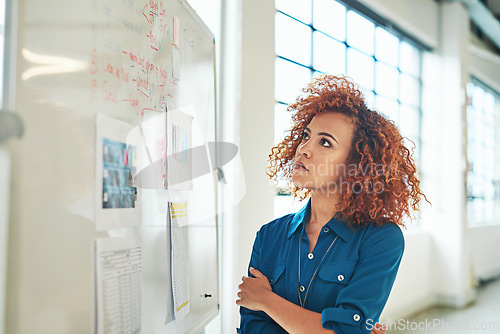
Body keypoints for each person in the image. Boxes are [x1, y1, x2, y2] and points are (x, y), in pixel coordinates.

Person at [236, 75, 428, 333]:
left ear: (356, 164)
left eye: (325, 142)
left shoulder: (381, 239)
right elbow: (253, 328)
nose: (303, 148)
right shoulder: (269, 236)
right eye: (306, 135)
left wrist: (266, 300)